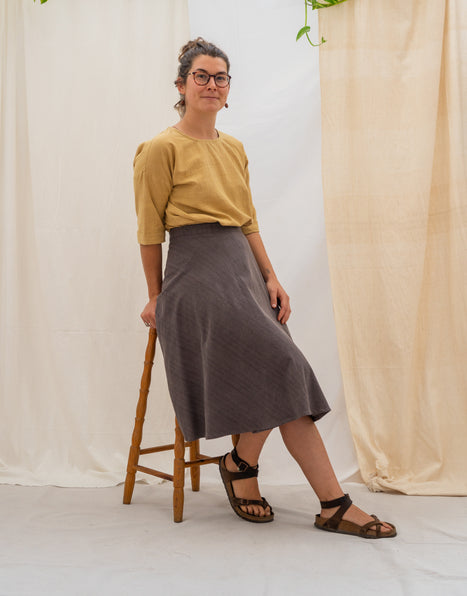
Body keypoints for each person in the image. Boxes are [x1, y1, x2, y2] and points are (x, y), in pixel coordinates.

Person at [133, 37, 396, 538]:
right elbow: (149, 230)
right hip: (196, 274)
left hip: (242, 272)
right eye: (201, 76)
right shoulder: (160, 149)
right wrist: (155, 294)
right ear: (182, 85)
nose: (212, 85)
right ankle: (327, 501)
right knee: (284, 365)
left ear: (229, 88)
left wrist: (271, 276)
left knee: (282, 368)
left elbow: (247, 220)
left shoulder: (233, 148)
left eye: (220, 77)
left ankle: (244, 466)